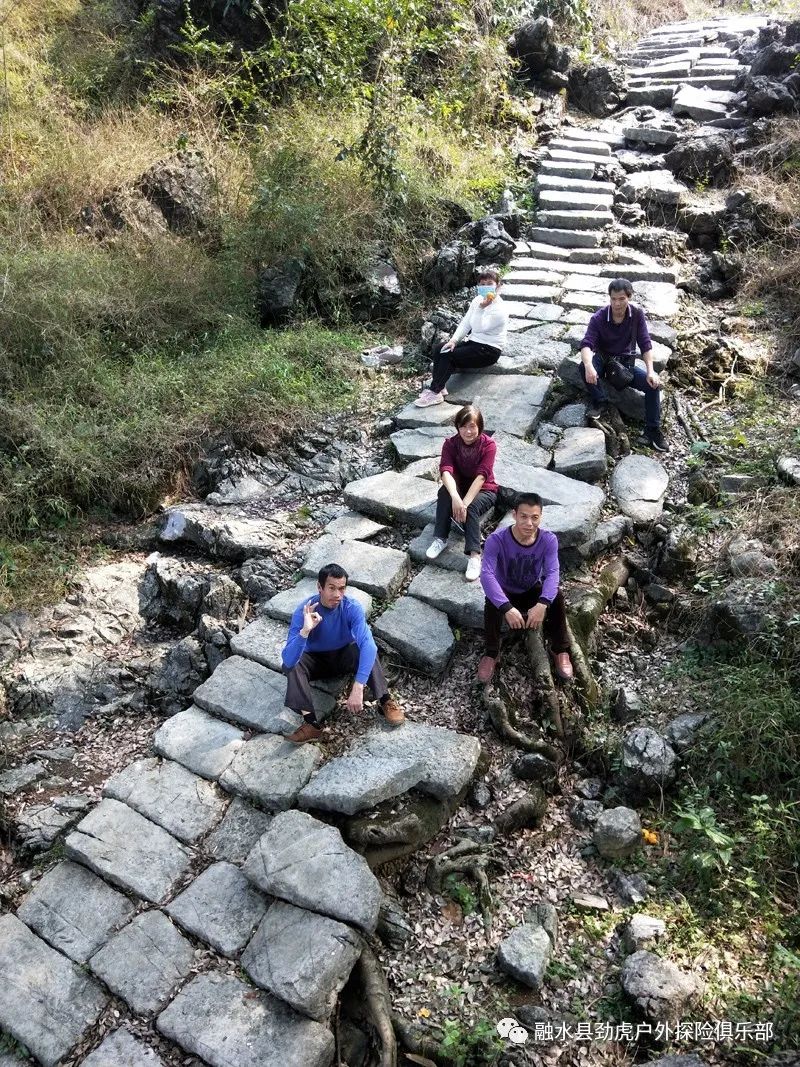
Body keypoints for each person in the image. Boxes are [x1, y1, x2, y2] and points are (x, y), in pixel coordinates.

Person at [281, 563, 404, 743]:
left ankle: (385, 700)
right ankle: (311, 724)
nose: (337, 594)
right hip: (314, 662)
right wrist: (305, 631)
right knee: (292, 665)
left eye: (341, 588)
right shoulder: (304, 611)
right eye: (331, 588)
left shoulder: (351, 607)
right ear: (319, 587)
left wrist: (359, 685)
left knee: (365, 647)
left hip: (343, 655)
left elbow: (369, 645)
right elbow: (288, 659)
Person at [477, 493, 573, 685]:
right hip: (506, 591)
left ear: (541, 517)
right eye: (524, 516)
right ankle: (492, 653)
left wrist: (543, 604)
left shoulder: (548, 540)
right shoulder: (497, 540)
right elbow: (486, 575)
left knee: (557, 596)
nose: (529, 523)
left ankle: (560, 649)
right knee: (491, 601)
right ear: (514, 515)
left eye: (534, 517)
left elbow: (553, 573)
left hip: (531, 589)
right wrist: (506, 608)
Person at [579, 278, 667, 453]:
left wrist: (651, 371)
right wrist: (589, 365)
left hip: (625, 365)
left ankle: (652, 431)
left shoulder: (636, 315)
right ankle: (600, 401)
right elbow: (587, 344)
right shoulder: (599, 317)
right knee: (583, 366)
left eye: (621, 299)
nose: (617, 303)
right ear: (609, 298)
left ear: (629, 297)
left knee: (652, 386)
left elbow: (645, 343)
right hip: (603, 360)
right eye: (613, 299)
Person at [415, 268, 509, 408]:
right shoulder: (477, 300)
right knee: (440, 348)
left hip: (489, 350)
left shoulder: (500, 309)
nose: (485, 287)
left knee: (449, 356)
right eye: (482, 284)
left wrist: (482, 307)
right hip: (474, 343)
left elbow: (478, 327)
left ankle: (435, 393)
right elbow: (466, 323)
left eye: (489, 283)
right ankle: (440, 387)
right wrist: (454, 340)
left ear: (497, 285)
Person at [426, 404, 497, 582]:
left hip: (484, 489)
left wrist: (464, 504)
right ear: (458, 427)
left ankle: (474, 556)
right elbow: (446, 472)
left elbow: (482, 476)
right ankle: (441, 538)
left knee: (471, 507)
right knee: (444, 493)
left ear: (479, 426)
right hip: (460, 487)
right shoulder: (450, 444)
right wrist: (455, 497)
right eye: (463, 426)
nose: (468, 431)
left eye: (472, 426)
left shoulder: (489, 445)